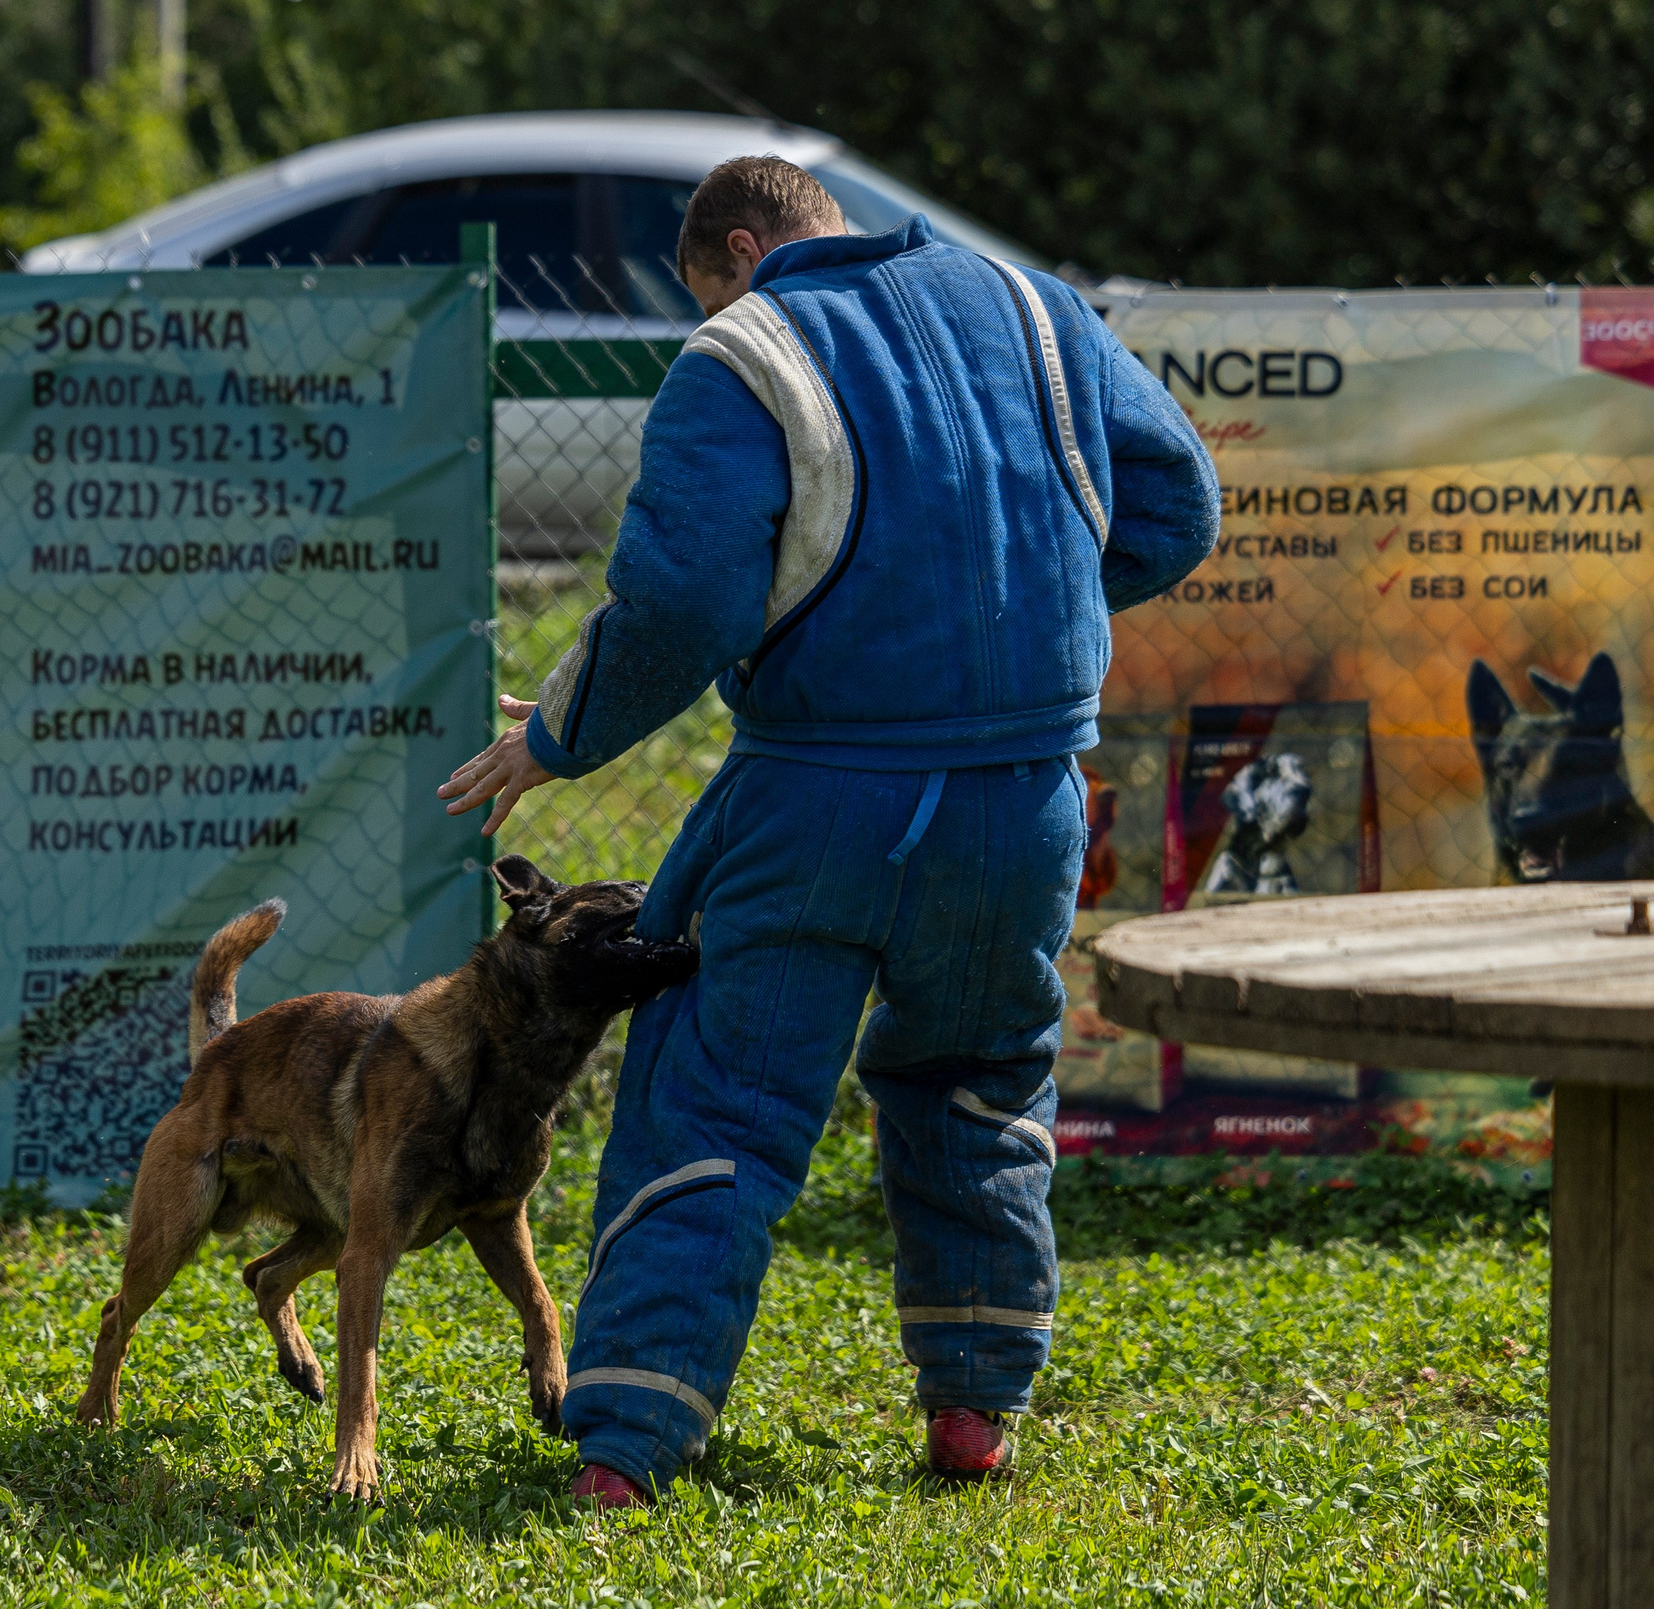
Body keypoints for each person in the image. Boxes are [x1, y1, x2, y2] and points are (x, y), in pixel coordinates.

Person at [438, 157, 1219, 1505]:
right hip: (1027, 798)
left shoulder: (742, 355)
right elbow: (1176, 508)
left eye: (707, 291)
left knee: (717, 1101)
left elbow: (682, 603)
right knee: (981, 1077)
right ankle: (975, 1408)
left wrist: (555, 735)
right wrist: (1024, 634)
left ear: (740, 251)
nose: (711, 312)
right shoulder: (1032, 305)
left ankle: (627, 1445)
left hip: (821, 798)